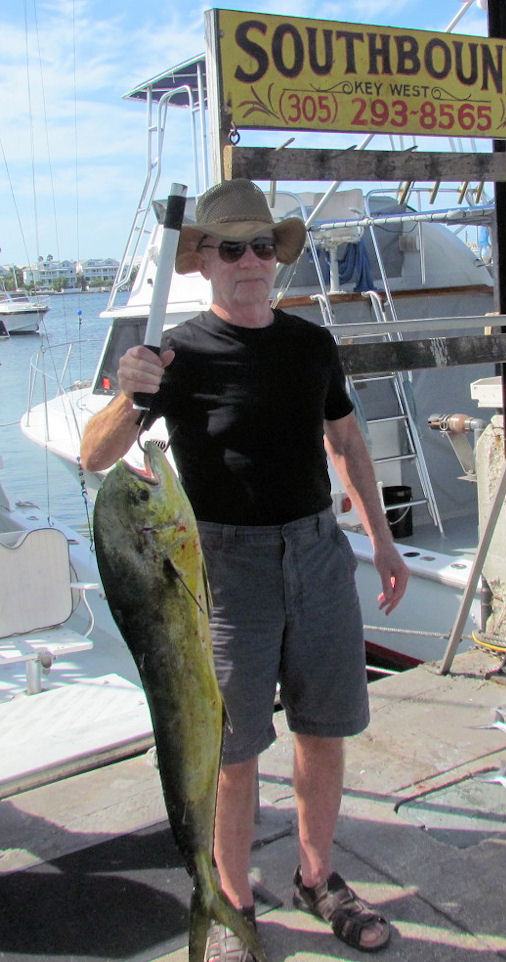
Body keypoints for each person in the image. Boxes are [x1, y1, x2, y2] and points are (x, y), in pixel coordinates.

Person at [80, 178, 409, 961]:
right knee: (232, 751)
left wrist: (384, 542)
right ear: (204, 263)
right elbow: (96, 455)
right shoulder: (176, 354)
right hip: (224, 567)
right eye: (233, 248)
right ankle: (231, 901)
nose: (253, 261)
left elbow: (348, 443)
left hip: (319, 551)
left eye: (263, 245)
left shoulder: (310, 344)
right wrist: (131, 396)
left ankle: (318, 877)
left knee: (324, 729)